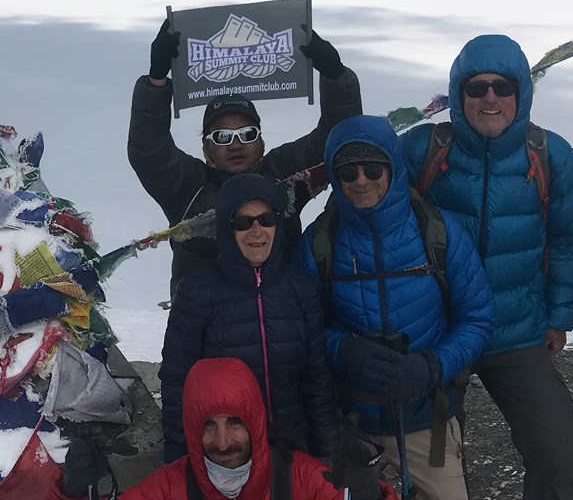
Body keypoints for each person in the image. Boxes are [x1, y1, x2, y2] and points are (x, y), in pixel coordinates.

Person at [397, 35, 573, 499]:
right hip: (439, 331)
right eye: (477, 86)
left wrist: (559, 317)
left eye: (503, 87)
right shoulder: (424, 151)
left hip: (518, 327)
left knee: (556, 448)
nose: (490, 97)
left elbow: (568, 238)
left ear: (521, 92)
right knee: (434, 460)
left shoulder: (550, 154)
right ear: (458, 93)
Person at [298, 115, 494, 500]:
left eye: (373, 168)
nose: (361, 180)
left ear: (393, 167)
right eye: (347, 171)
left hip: (427, 421)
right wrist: (343, 349)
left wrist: (432, 365)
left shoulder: (438, 232)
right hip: (353, 427)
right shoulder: (319, 244)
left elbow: (478, 317)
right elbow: (300, 327)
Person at [130, 21, 364, 299]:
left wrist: (335, 76)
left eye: (246, 133)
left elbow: (339, 139)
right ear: (206, 147)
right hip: (207, 331)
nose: (236, 144)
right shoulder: (186, 187)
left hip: (283, 324)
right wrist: (155, 82)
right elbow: (149, 150)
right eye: (222, 137)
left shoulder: (285, 175)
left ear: (262, 142)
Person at [160, 173, 339, 465]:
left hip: (291, 452)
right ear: (225, 229)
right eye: (242, 222)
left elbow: (317, 381)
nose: (257, 231)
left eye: (266, 219)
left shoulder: (301, 289)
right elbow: (177, 385)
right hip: (224, 455)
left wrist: (326, 459)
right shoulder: (196, 293)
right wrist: (181, 466)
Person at [77, 357, 391, 500]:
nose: (223, 443)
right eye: (208, 426)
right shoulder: (169, 489)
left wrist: (369, 494)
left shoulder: (301, 480)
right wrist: (73, 491)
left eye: (235, 423)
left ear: (255, 422)